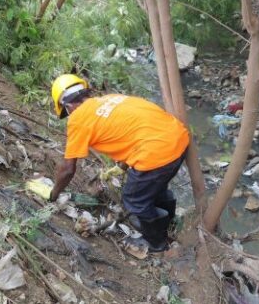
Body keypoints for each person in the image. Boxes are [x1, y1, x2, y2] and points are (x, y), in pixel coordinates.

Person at [48, 74, 189, 253]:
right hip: (178, 139)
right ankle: (168, 223)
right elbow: (132, 129)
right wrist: (122, 166)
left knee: (133, 198)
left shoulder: (78, 119)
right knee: (155, 187)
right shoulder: (111, 99)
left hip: (156, 153)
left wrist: (54, 194)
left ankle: (158, 243)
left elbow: (68, 169)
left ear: (67, 106)